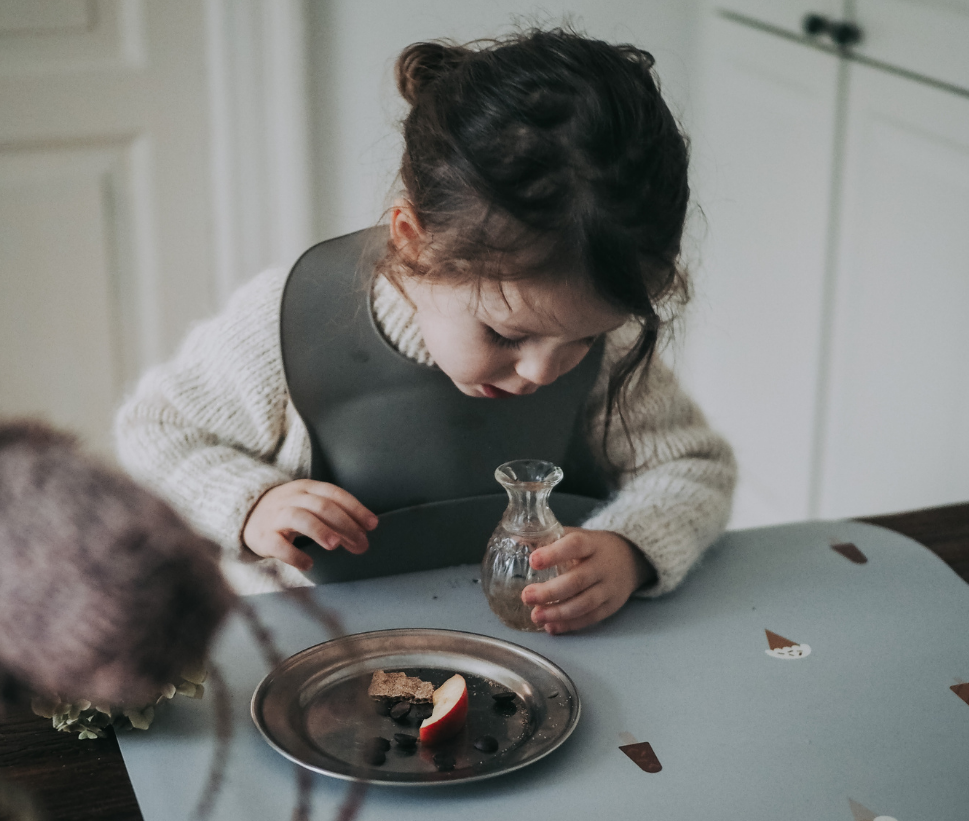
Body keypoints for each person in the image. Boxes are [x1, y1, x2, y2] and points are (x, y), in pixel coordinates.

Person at [116, 28, 735, 634]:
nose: (544, 373)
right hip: (315, 648)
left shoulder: (593, 326)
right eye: (505, 335)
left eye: (583, 340)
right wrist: (248, 502)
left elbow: (691, 466)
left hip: (531, 652)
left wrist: (629, 550)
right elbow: (156, 432)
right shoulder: (285, 319)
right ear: (414, 243)